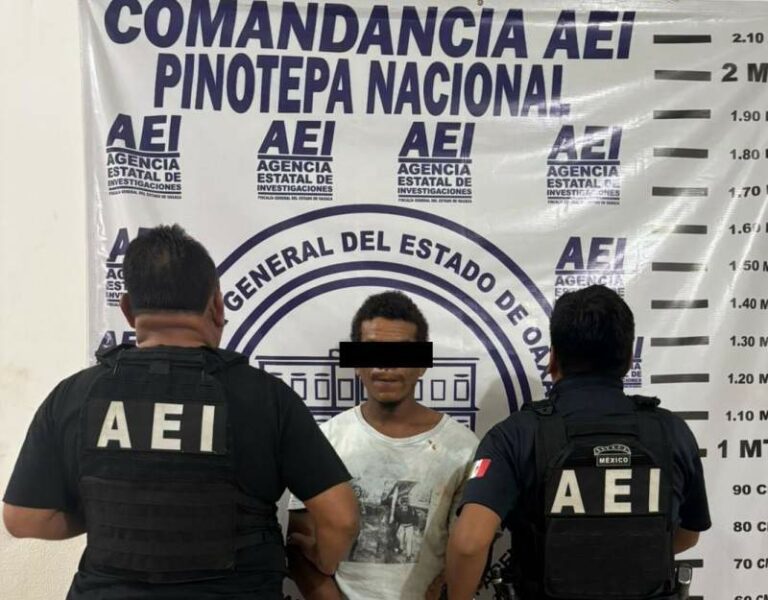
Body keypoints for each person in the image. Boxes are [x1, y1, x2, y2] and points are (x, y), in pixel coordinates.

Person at [3, 224, 359, 599]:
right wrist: (320, 562)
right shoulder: (267, 397)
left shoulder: (74, 395)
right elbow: (341, 518)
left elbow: (24, 518)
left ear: (127, 309)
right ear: (217, 305)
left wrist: (111, 518)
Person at [447, 284, 711, 600]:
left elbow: (469, 544)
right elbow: (687, 535)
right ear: (629, 359)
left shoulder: (516, 434)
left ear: (553, 358)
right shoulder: (671, 432)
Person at [287, 291, 479, 600]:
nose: (386, 365)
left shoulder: (463, 448)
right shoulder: (324, 440)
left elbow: (468, 550)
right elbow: (298, 547)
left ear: (422, 363)